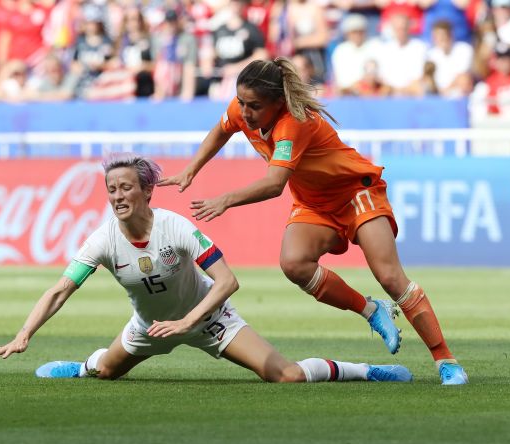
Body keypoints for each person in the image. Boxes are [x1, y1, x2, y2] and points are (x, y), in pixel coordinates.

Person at [158, 57, 468, 385]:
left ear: (278, 102)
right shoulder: (244, 110)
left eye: (254, 106)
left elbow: (275, 183)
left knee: (391, 278)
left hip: (355, 194)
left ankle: (445, 360)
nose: (245, 112)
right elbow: (222, 129)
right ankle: (370, 310)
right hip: (315, 203)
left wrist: (226, 199)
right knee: (294, 263)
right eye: (241, 102)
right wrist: (192, 168)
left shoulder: (294, 122)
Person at [0, 154, 413, 385]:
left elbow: (228, 281)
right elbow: (61, 290)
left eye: (125, 188)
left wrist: (189, 321)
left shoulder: (175, 228)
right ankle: (80, 366)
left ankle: (365, 372)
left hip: (209, 319)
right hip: (149, 326)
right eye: (111, 189)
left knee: (288, 376)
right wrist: (24, 334)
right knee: (105, 371)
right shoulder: (103, 240)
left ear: (147, 191)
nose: (117, 196)